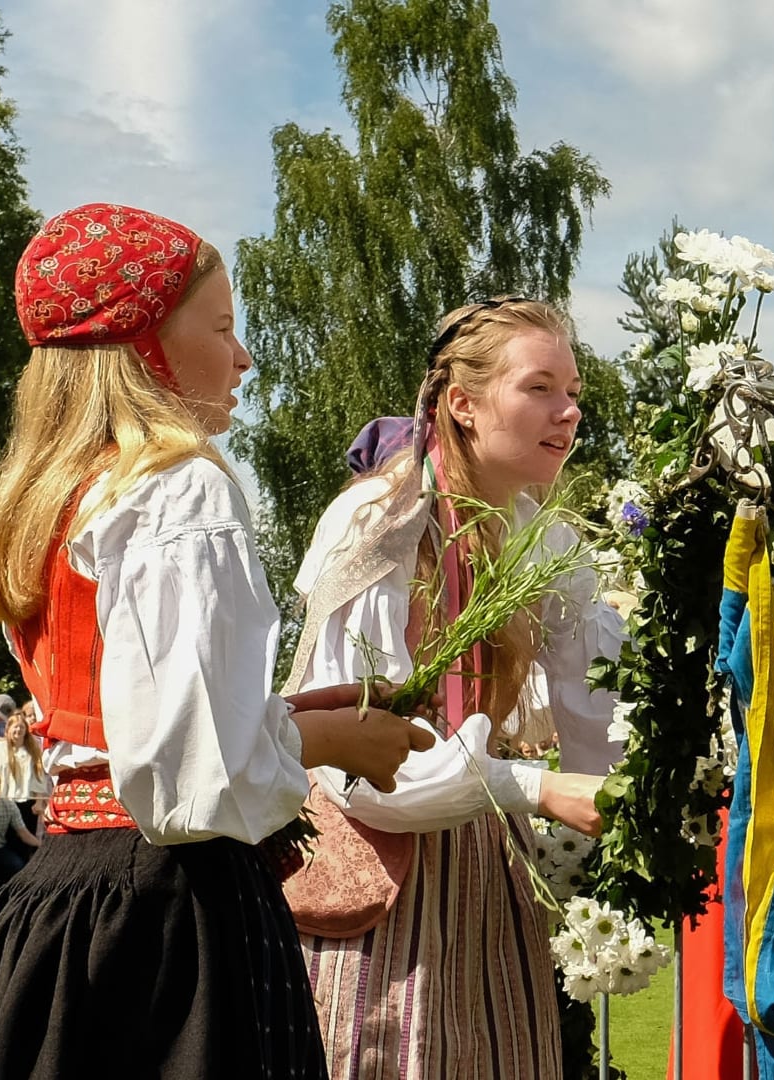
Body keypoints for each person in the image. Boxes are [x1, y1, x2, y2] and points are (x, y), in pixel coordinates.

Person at [0, 203, 434, 1080]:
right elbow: (194, 781)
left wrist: (276, 714)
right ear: (142, 344)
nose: (243, 357)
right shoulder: (180, 489)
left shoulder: (53, 501)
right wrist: (338, 739)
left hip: (61, 901)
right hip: (171, 920)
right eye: (223, 327)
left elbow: (119, 736)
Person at [286, 296, 618, 1079]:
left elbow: (596, 705)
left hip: (480, 861)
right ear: (462, 405)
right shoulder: (383, 519)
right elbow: (357, 762)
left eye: (573, 393)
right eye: (539, 388)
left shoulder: (549, 540)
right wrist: (537, 786)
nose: (567, 413)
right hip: (367, 865)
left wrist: (630, 802)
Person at [0, 709, 48, 834]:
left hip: (27, 802)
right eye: (15, 727)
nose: (18, 730)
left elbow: (40, 778)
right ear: (8, 729)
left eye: (21, 727)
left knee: (26, 839)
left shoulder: (33, 750)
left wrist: (39, 802)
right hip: (4, 801)